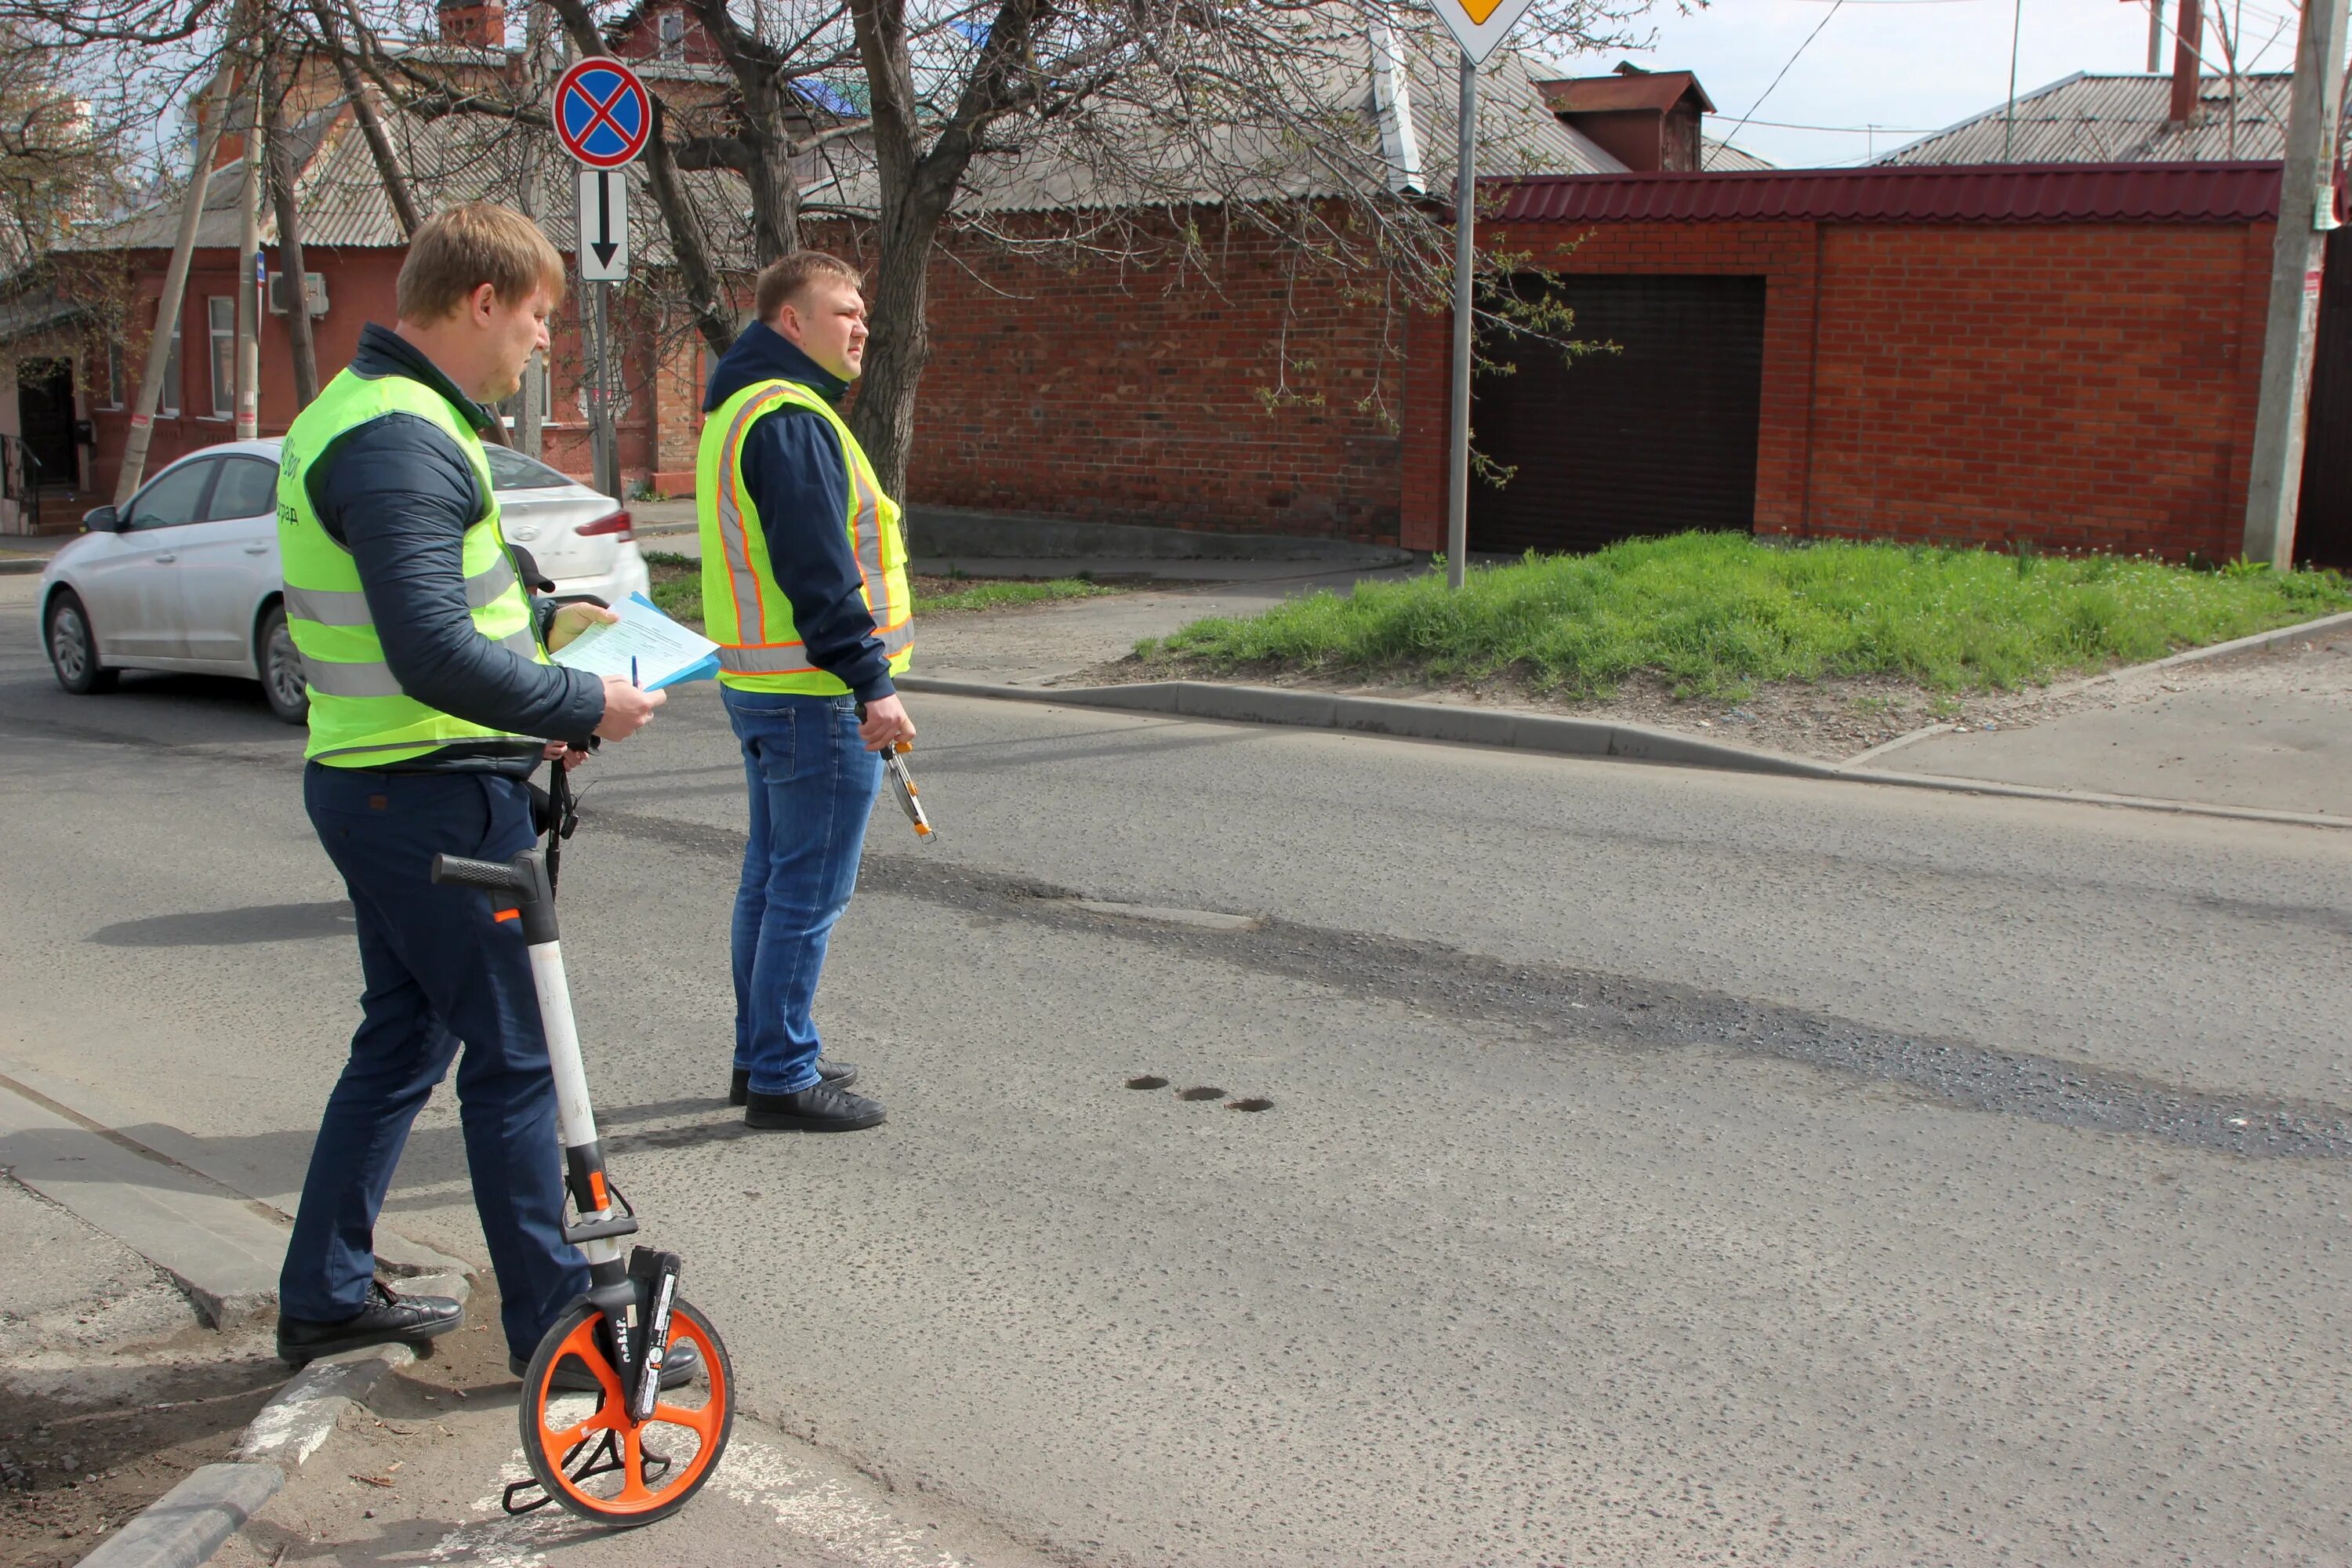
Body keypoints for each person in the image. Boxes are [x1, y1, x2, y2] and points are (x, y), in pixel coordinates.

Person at [271, 202, 677, 1385]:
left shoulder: (367, 413)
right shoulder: (400, 435)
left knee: (402, 1044)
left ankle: (327, 1296)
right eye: (540, 315)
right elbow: (431, 655)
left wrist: (551, 625)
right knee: (516, 1061)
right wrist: (578, 706)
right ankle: (567, 1344)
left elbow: (439, 610)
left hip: (384, 781)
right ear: (481, 301)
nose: (546, 340)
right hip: (433, 793)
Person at [696, 251, 914, 1133]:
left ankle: (765, 1051)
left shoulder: (743, 407)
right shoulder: (788, 418)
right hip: (813, 691)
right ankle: (784, 1072)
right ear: (792, 321)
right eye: (844, 311)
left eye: (863, 312)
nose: (861, 325)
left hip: (763, 683)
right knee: (806, 891)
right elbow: (820, 571)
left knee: (772, 879)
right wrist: (872, 683)